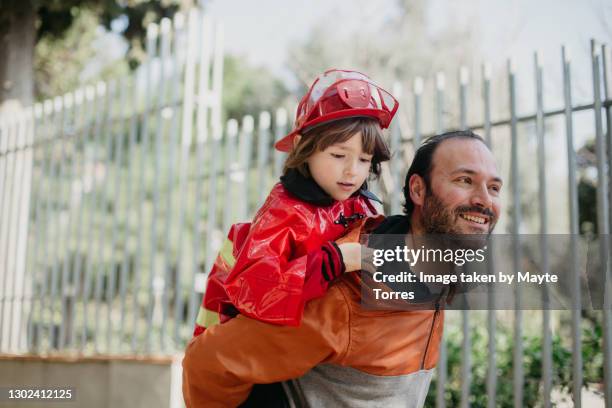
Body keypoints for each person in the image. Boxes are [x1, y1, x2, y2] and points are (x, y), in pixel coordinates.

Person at [182, 130, 503, 408]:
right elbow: (207, 364)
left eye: (494, 188)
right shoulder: (345, 296)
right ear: (418, 190)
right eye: (465, 180)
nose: (484, 200)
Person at [193, 69, 399, 336]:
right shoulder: (285, 212)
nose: (352, 171)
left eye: (364, 159)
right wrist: (334, 261)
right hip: (252, 356)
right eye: (338, 155)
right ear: (304, 146)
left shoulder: (364, 205)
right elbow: (256, 290)